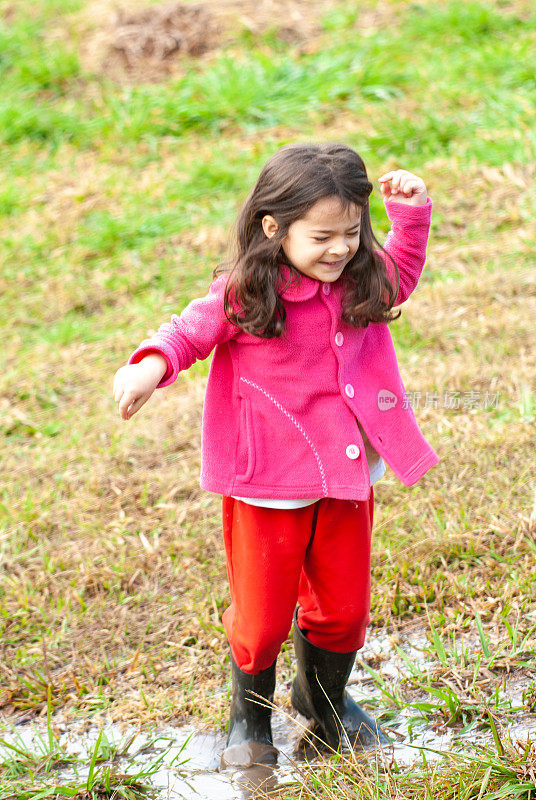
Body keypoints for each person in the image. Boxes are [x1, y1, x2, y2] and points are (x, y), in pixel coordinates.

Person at [113, 143, 438, 768]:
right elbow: (190, 330)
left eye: (351, 232)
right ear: (274, 228)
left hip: (344, 470)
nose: (340, 249)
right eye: (321, 237)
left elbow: (404, 268)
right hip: (268, 476)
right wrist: (149, 366)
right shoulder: (246, 291)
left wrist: (411, 214)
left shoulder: (359, 278)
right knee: (261, 620)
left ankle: (326, 703)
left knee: (343, 611)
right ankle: (249, 715)